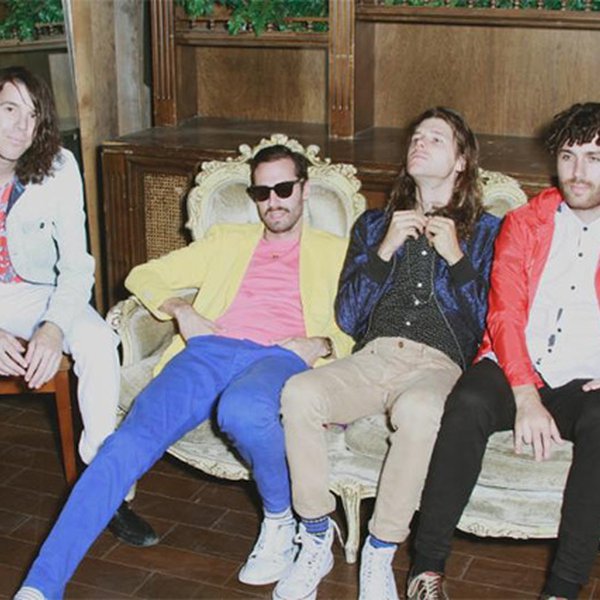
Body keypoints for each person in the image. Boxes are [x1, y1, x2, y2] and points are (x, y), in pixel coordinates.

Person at [15, 143, 353, 600]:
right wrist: (181, 310)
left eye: (283, 189)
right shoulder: (228, 241)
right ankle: (40, 586)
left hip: (279, 356)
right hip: (208, 351)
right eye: (261, 192)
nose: (273, 201)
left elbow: (364, 321)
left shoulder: (338, 252)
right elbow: (142, 275)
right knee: (123, 446)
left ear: (305, 190)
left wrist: (322, 344)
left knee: (242, 410)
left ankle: (280, 518)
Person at [274, 107, 501, 600]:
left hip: (439, 364)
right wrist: (383, 250)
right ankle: (315, 536)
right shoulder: (376, 223)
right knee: (299, 392)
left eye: (435, 139)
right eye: (416, 137)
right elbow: (348, 314)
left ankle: (380, 550)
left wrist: (457, 259)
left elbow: (491, 322)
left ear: (461, 161)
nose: (420, 143)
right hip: (373, 356)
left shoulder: (488, 231)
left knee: (420, 411)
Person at [406, 102, 600, 600]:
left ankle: (562, 590)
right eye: (568, 156)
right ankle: (426, 569)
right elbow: (504, 312)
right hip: (516, 360)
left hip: (586, 375)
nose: (578, 172)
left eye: (594, 158)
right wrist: (525, 393)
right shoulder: (526, 221)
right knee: (469, 401)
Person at [0, 66, 155, 548]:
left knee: (99, 342)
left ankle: (105, 489)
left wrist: (52, 327)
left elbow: (76, 265)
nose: (21, 127)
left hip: (37, 290)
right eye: (9, 109)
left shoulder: (58, 166)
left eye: (33, 115)